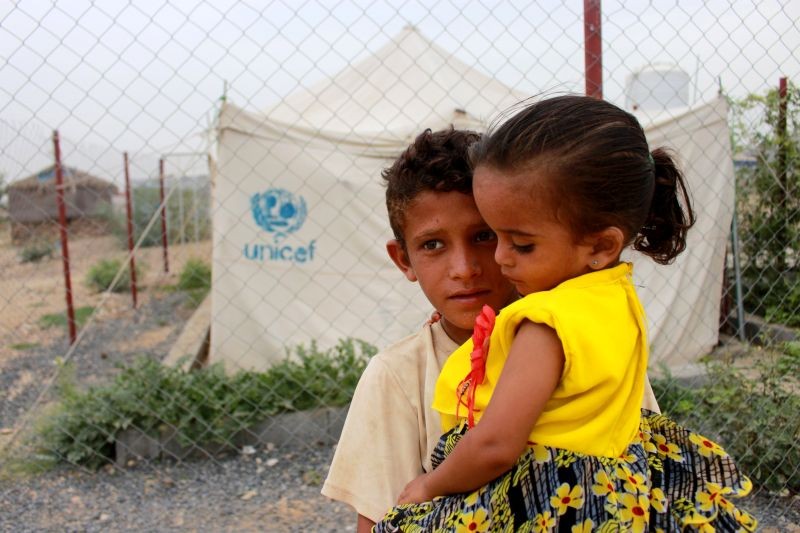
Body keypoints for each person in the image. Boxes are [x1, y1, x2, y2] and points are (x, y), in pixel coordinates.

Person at [375, 96, 757, 532]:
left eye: (520, 243)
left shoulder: (544, 324)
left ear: (599, 246)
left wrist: (430, 486)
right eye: (494, 235)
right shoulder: (618, 297)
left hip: (545, 496)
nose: (499, 258)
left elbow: (497, 446)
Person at [321, 127, 663, 532]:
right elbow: (378, 521)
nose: (465, 269)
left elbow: (644, 470)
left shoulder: (581, 340)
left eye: (485, 236)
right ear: (403, 260)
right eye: (433, 244)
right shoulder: (398, 376)